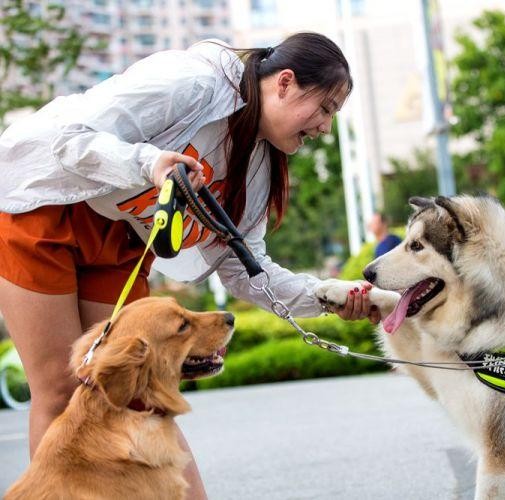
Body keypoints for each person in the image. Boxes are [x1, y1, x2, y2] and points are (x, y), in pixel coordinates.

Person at [0, 33, 377, 499]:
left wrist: (329, 297)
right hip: (47, 205)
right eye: (326, 108)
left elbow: (246, 268)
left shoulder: (258, 166)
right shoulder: (193, 82)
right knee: (62, 389)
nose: (325, 127)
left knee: (143, 394)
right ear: (284, 83)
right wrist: (149, 162)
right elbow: (69, 139)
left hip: (122, 239)